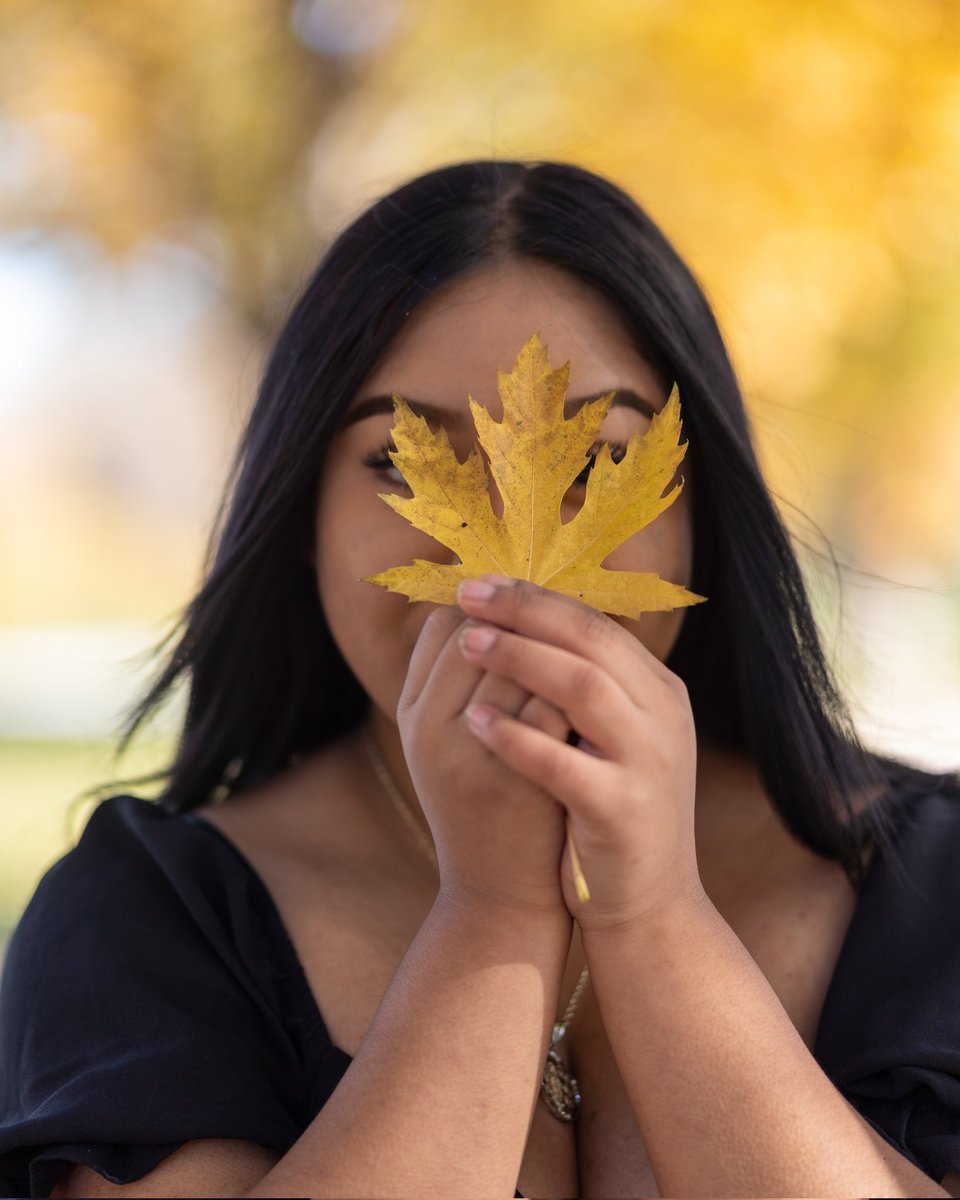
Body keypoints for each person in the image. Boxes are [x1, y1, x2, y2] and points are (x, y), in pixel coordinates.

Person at [1, 160, 958, 1200]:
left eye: (597, 459)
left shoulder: (930, 883)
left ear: (701, 511)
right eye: (410, 466)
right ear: (302, 520)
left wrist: (656, 918)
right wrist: (492, 914)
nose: (501, 563)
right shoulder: (144, 913)